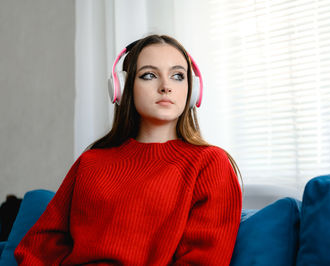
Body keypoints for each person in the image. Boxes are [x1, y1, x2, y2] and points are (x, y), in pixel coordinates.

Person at [14, 34, 242, 265]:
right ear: (122, 87)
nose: (166, 87)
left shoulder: (210, 163)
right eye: (149, 75)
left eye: (177, 76)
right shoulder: (91, 161)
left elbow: (203, 259)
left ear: (193, 91)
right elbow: (38, 245)